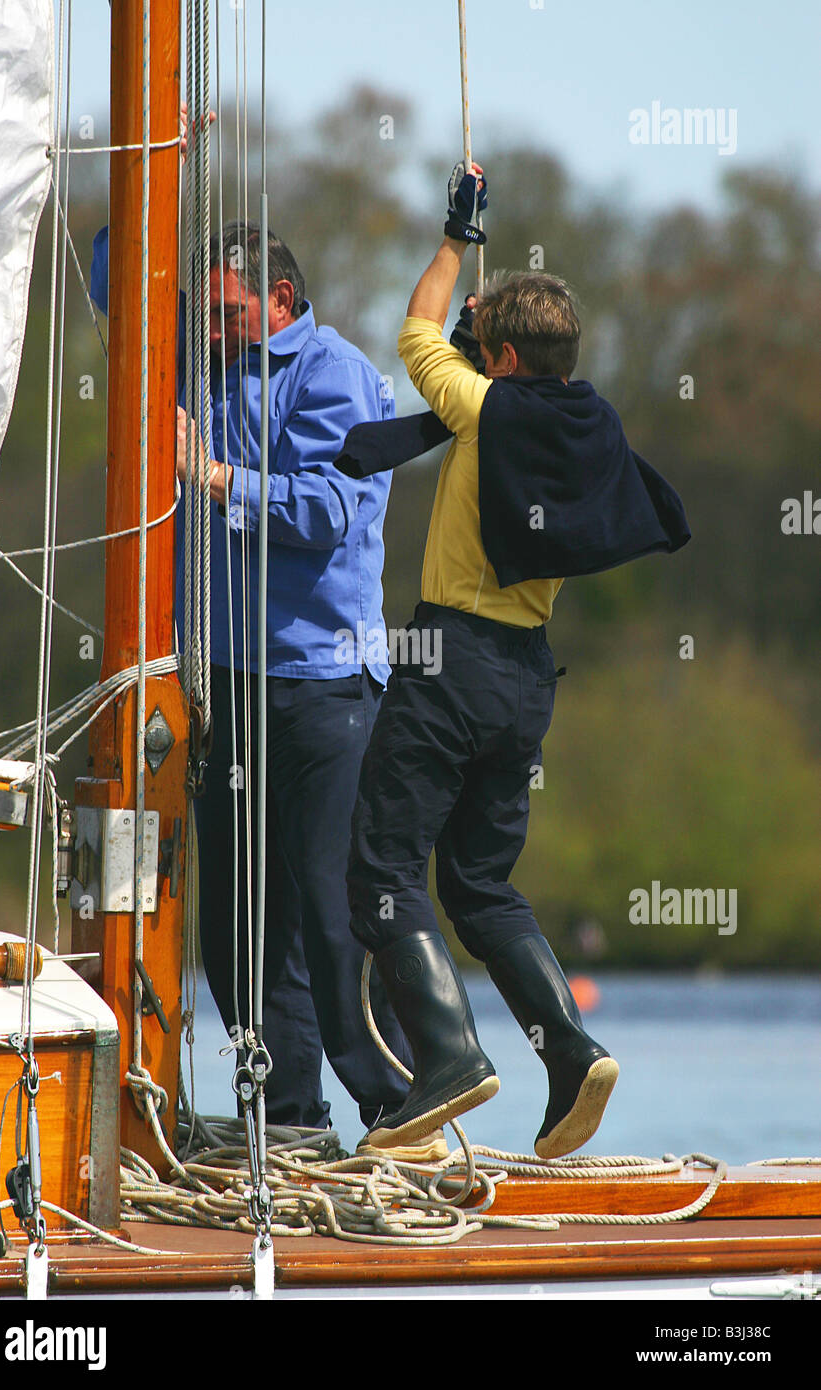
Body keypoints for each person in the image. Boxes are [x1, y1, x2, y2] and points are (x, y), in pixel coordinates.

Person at [345, 162, 686, 1159]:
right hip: (525, 680)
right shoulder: (593, 427)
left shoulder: (486, 408)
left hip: (449, 662)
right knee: (480, 885)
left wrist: (455, 238)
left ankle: (446, 1057)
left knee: (380, 865)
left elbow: (413, 332)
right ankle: (570, 1050)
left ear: (496, 356)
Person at [90, 139, 417, 1147]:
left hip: (321, 688)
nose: (213, 331)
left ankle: (398, 1104)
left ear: (279, 298)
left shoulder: (336, 377)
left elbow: (331, 510)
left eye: (228, 313)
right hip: (227, 683)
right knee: (231, 924)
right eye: (208, 315)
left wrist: (217, 477)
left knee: (326, 911)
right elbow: (113, 274)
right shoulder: (208, 357)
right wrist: (153, 151)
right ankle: (287, 1116)